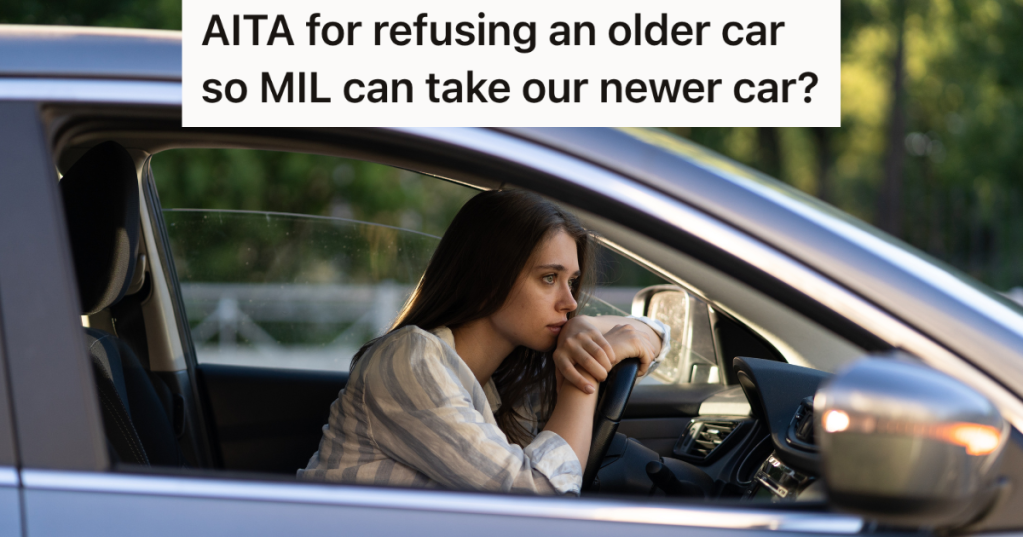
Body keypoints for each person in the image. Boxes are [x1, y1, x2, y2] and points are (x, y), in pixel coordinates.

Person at [298, 190, 669, 495]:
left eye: (571, 281)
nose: (569, 302)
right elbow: (538, 502)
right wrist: (584, 374)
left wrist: (584, 328)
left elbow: (654, 335)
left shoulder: (510, 374)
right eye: (548, 278)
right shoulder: (410, 359)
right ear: (490, 277)